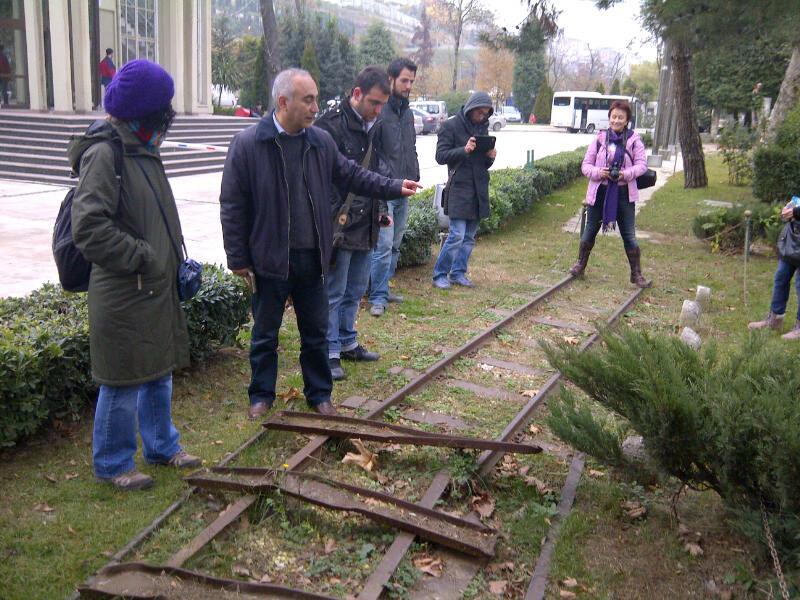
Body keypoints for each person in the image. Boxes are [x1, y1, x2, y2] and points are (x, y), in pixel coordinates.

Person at [219, 68, 421, 419]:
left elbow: (352, 175)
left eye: (315, 98)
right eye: (308, 99)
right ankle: (261, 395)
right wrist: (237, 256)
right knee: (265, 334)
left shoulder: (319, 142)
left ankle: (319, 394)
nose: (315, 107)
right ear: (283, 102)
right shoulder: (249, 144)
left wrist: (392, 185)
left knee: (315, 332)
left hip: (312, 257)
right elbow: (232, 205)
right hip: (269, 259)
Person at [69, 59, 202, 491]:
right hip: (125, 290)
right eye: (165, 103)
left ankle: (162, 445)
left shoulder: (143, 147)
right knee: (122, 380)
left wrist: (172, 258)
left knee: (157, 371)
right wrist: (144, 256)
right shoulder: (106, 153)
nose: (171, 111)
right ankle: (113, 462)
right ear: (146, 108)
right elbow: (89, 227)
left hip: (152, 289)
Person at [315, 66, 392, 381]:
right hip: (340, 224)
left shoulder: (372, 125)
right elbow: (321, 179)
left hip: (367, 221)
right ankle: (329, 351)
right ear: (356, 94)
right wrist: (333, 216)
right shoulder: (329, 127)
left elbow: (376, 172)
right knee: (333, 291)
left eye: (382, 105)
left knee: (356, 289)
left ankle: (347, 341)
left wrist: (381, 207)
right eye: (374, 103)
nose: (378, 110)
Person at [570, 99, 651, 288]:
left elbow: (642, 165)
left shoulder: (633, 140)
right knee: (590, 229)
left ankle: (636, 274)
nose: (616, 120)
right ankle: (580, 265)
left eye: (620, 117)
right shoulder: (599, 139)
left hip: (624, 194)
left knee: (629, 234)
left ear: (627, 120)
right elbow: (585, 166)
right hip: (599, 192)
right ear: (609, 118)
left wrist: (625, 174)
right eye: (613, 116)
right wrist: (599, 173)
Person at [368, 57, 420, 317]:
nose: (408, 85)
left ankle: (384, 289)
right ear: (390, 79)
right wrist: (385, 183)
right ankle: (376, 297)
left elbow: (410, 148)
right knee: (383, 245)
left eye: (411, 80)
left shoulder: (408, 113)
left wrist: (414, 174)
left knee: (396, 244)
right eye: (404, 80)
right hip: (384, 190)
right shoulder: (380, 111)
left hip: (405, 188)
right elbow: (372, 154)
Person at [432, 91, 497, 289]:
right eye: (479, 112)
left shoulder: (482, 128)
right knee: (457, 234)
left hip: (479, 189)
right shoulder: (450, 126)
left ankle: (458, 273)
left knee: (469, 237)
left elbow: (482, 164)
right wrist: (464, 149)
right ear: (471, 108)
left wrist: (490, 156)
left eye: (486, 114)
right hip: (459, 188)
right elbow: (440, 156)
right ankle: (439, 274)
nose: (482, 117)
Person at [748, 199, 800, 339]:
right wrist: (791, 207)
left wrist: (795, 212)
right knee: (781, 277)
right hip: (793, 241)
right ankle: (775, 320)